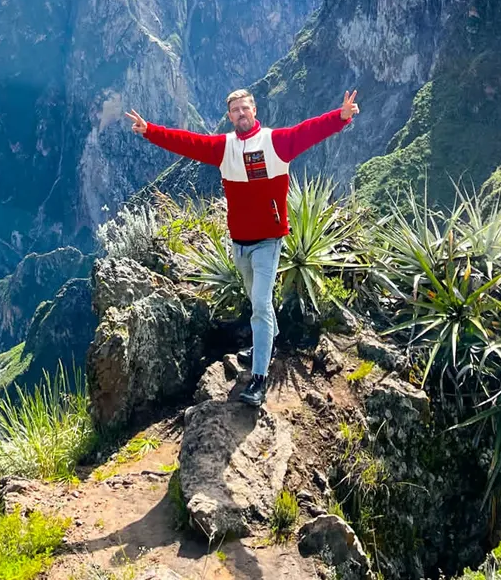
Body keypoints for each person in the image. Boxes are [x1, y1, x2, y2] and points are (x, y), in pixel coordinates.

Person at [125, 87, 359, 407]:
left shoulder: (276, 142)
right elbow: (188, 142)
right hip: (240, 244)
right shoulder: (224, 148)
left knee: (261, 305)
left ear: (254, 109)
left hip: (268, 241)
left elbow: (310, 131)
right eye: (234, 110)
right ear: (230, 115)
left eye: (244, 108)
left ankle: (259, 379)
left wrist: (341, 117)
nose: (240, 114)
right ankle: (269, 342)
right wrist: (151, 131)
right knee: (255, 300)